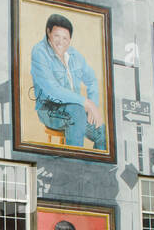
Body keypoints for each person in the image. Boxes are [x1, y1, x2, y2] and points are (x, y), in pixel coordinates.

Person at [29, 13, 106, 151]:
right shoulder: (39, 52)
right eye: (57, 36)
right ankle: (74, 167)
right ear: (48, 32)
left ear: (70, 39)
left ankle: (96, 169)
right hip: (49, 109)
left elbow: (92, 80)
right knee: (76, 113)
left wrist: (93, 105)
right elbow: (53, 90)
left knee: (102, 132)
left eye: (65, 38)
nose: (61, 42)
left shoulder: (75, 55)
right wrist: (85, 102)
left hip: (76, 108)